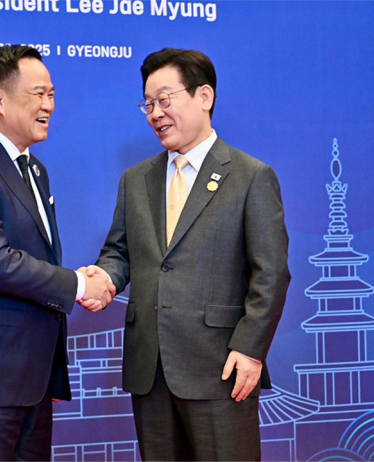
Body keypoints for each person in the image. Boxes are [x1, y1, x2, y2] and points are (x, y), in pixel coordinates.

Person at [80, 48, 290, 461]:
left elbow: (271, 274)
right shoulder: (136, 179)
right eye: (148, 104)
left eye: (164, 99)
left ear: (204, 96)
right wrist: (104, 278)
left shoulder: (250, 177)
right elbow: (120, 252)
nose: (155, 113)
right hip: (150, 370)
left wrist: (250, 349)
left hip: (221, 368)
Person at [0, 45, 114, 462]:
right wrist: (79, 284)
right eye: (38, 94)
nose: (49, 105)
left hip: (32, 381)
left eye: (52, 94)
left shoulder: (34, 170)